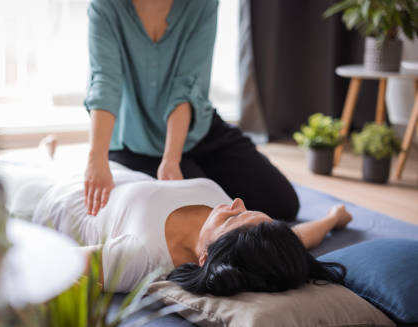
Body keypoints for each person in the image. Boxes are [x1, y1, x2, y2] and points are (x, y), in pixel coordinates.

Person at [83, 0, 300, 221]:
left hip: (196, 129)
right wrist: (96, 158)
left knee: (283, 204)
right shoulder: (105, 6)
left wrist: (171, 158)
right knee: (208, 216)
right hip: (136, 141)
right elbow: (104, 82)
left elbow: (186, 86)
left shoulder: (202, 4)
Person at [33, 165, 348, 294]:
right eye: (249, 209)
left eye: (232, 217)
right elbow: (299, 238)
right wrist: (334, 217)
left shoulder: (141, 257)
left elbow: (53, 261)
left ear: (204, 257)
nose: (236, 202)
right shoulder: (254, 240)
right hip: (111, 170)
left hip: (56, 198)